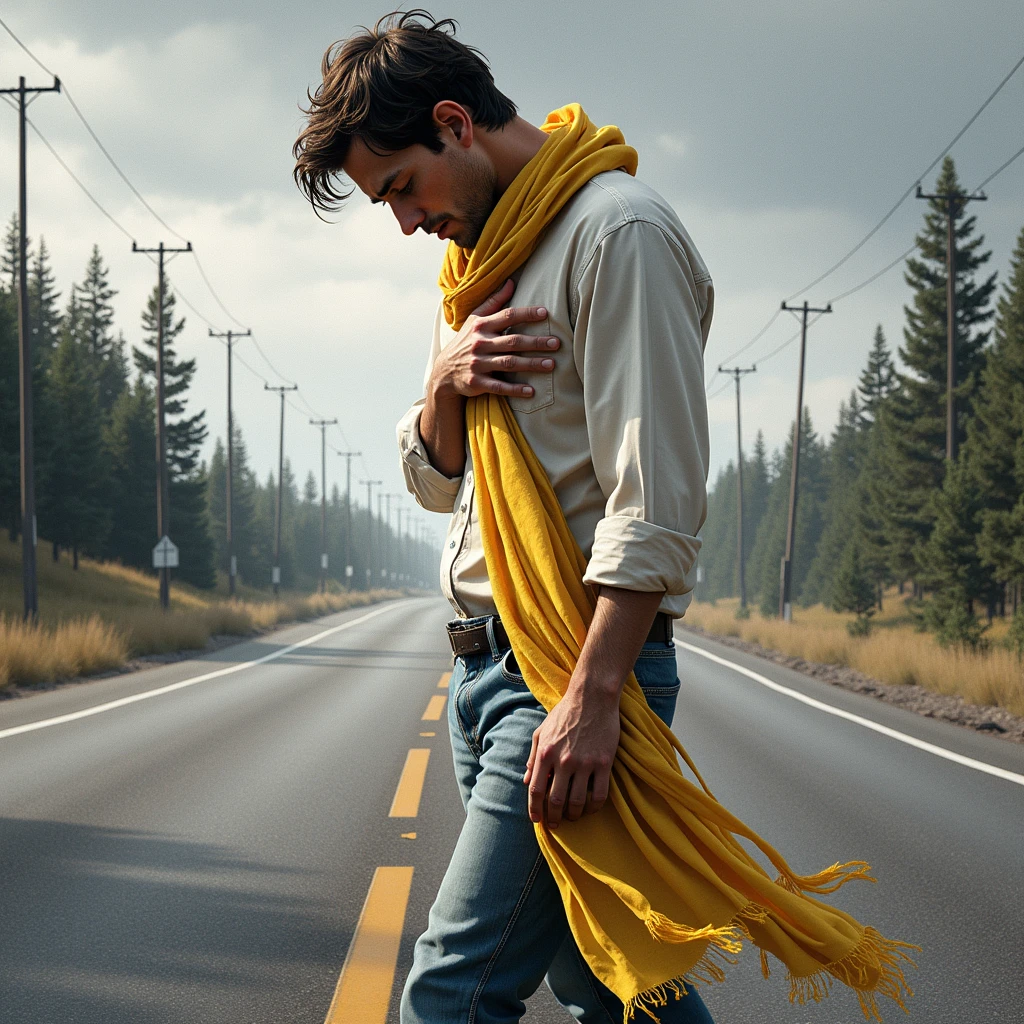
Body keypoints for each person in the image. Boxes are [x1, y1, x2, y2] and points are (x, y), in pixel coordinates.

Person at [294, 11, 714, 1023]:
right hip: (486, 672)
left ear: (454, 122)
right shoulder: (481, 265)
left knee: (452, 988)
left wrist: (594, 695)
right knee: (604, 977)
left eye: (399, 186)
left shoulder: (618, 233)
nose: (403, 223)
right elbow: (441, 483)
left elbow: (654, 500)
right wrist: (442, 388)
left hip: (564, 674)